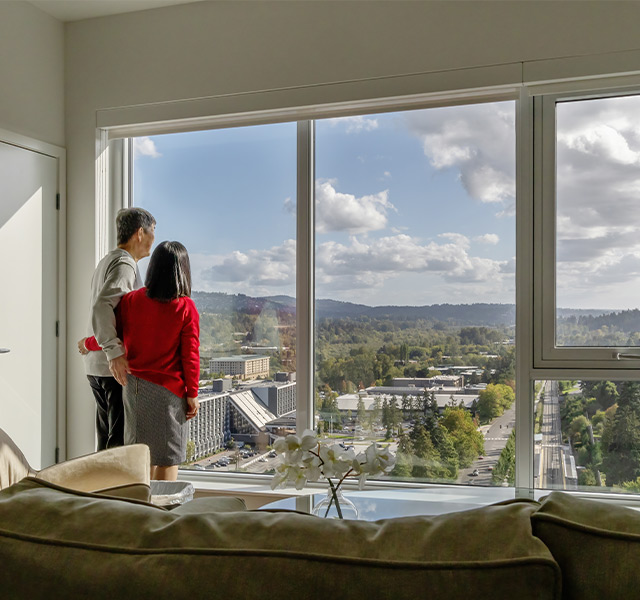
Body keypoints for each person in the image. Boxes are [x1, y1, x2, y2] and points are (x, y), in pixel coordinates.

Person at [115, 241, 199, 481]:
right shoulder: (185, 307)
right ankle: (165, 516)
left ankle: (143, 513)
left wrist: (88, 343)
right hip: (168, 394)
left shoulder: (131, 301)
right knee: (167, 459)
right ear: (183, 270)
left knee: (140, 459)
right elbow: (190, 355)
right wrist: (192, 393)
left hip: (134, 389)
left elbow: (114, 335)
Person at [78, 207, 156, 450]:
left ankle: (102, 488)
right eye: (153, 231)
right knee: (118, 445)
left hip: (97, 366)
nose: (154, 238)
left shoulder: (108, 260)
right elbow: (103, 306)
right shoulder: (125, 263)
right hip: (112, 369)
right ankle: (113, 489)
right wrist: (114, 353)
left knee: (107, 442)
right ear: (140, 233)